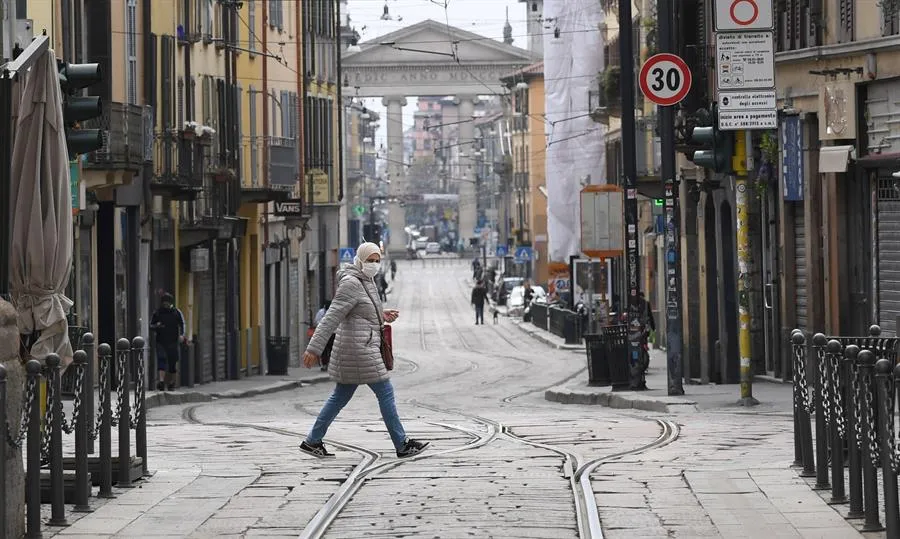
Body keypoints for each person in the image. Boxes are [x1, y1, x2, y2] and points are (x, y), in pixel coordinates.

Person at [301, 242, 429, 459]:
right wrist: (314, 348)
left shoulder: (365, 281)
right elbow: (332, 316)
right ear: (359, 260)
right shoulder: (351, 283)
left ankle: (312, 440)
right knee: (385, 392)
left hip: (357, 348)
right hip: (360, 349)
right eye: (370, 260)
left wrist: (382, 314)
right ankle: (402, 444)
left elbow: (359, 309)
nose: (374, 264)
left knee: (340, 396)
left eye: (377, 260)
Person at [150, 293, 185, 391]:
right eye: (164, 303)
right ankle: (161, 382)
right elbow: (151, 325)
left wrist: (182, 335)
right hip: (161, 341)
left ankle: (171, 382)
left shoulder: (176, 312)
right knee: (162, 360)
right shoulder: (157, 313)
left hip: (173, 341)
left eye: (167, 303)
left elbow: (182, 324)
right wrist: (157, 326)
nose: (166, 305)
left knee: (172, 363)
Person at [313, 301, 334, 372]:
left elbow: (317, 321)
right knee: (326, 350)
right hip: (326, 333)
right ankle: (326, 365)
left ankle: (328, 365)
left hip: (329, 334)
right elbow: (317, 321)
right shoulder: (322, 312)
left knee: (329, 350)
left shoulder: (332, 312)